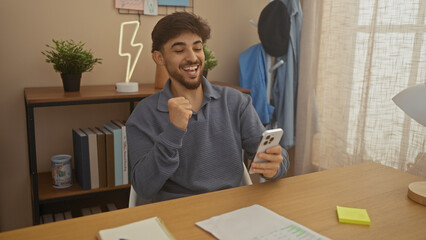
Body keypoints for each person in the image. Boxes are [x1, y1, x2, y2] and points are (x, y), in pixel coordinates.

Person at [126, 12, 289, 202]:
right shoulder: (143, 115)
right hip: (176, 212)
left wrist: (276, 165)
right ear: (159, 58)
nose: (192, 57)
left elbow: (272, 155)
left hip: (231, 211)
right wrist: (173, 131)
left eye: (197, 48)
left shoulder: (235, 102)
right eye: (179, 51)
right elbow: (144, 186)